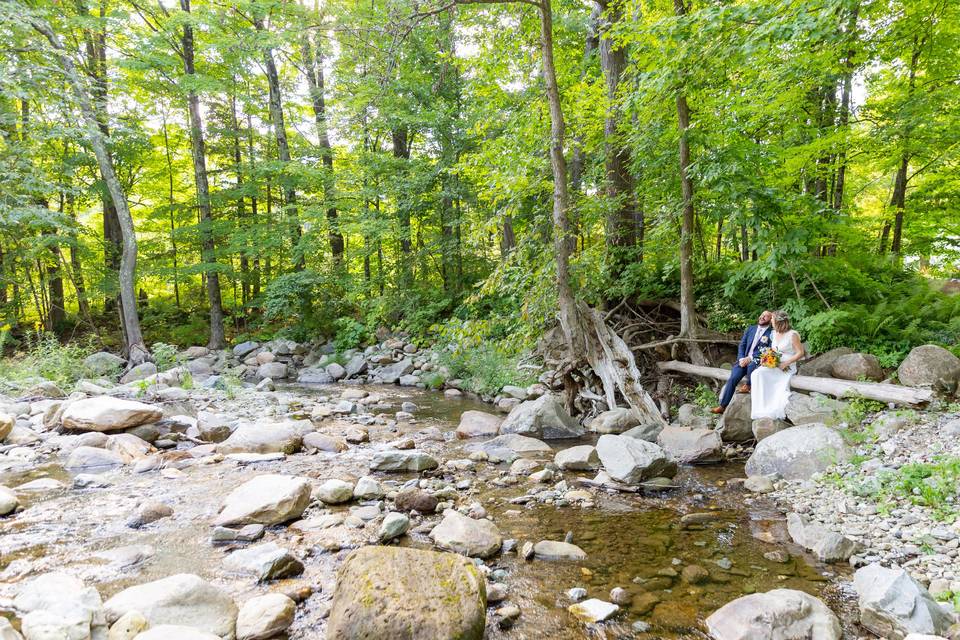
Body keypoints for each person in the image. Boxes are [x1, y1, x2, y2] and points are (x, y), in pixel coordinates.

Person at [711, 310, 773, 414]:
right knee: (732, 379)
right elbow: (742, 345)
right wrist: (741, 359)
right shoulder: (751, 329)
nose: (762, 317)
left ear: (770, 320)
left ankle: (748, 385)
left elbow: (769, 350)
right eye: (761, 315)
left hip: (756, 361)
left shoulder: (771, 333)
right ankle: (722, 406)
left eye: (766, 316)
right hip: (742, 361)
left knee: (751, 367)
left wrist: (750, 358)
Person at [751, 310, 805, 420]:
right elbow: (773, 349)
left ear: (777, 321)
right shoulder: (774, 333)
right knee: (756, 374)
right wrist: (765, 358)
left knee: (760, 374)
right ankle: (760, 407)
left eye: (772, 319)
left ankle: (771, 406)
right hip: (774, 363)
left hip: (787, 366)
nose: (771, 321)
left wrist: (786, 363)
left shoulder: (792, 335)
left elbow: (800, 353)